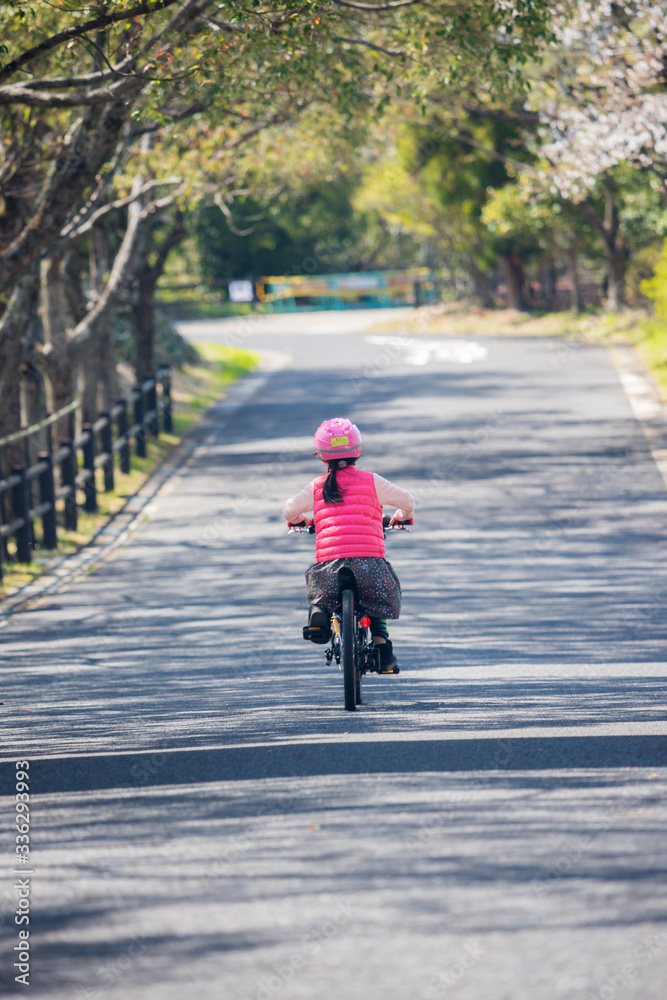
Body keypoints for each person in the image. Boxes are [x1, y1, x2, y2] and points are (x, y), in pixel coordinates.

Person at [283, 417, 414, 671]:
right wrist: (400, 517)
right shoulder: (372, 481)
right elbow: (407, 501)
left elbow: (289, 510)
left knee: (322, 596)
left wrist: (303, 521)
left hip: (328, 570)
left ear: (321, 455)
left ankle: (318, 613)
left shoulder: (317, 486)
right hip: (369, 566)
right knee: (377, 598)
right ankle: (382, 649)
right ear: (358, 450)